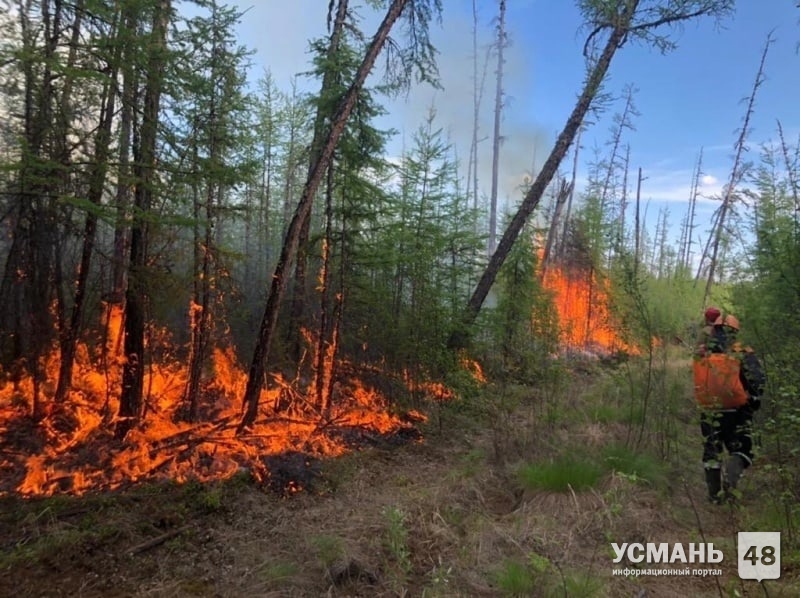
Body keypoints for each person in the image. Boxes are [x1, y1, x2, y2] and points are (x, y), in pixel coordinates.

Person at [694, 314, 766, 503]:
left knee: (712, 451)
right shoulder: (741, 351)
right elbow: (757, 379)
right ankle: (731, 480)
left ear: (715, 329)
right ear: (734, 332)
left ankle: (714, 496)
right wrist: (754, 399)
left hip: (709, 409)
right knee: (743, 448)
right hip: (737, 410)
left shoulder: (702, 352)